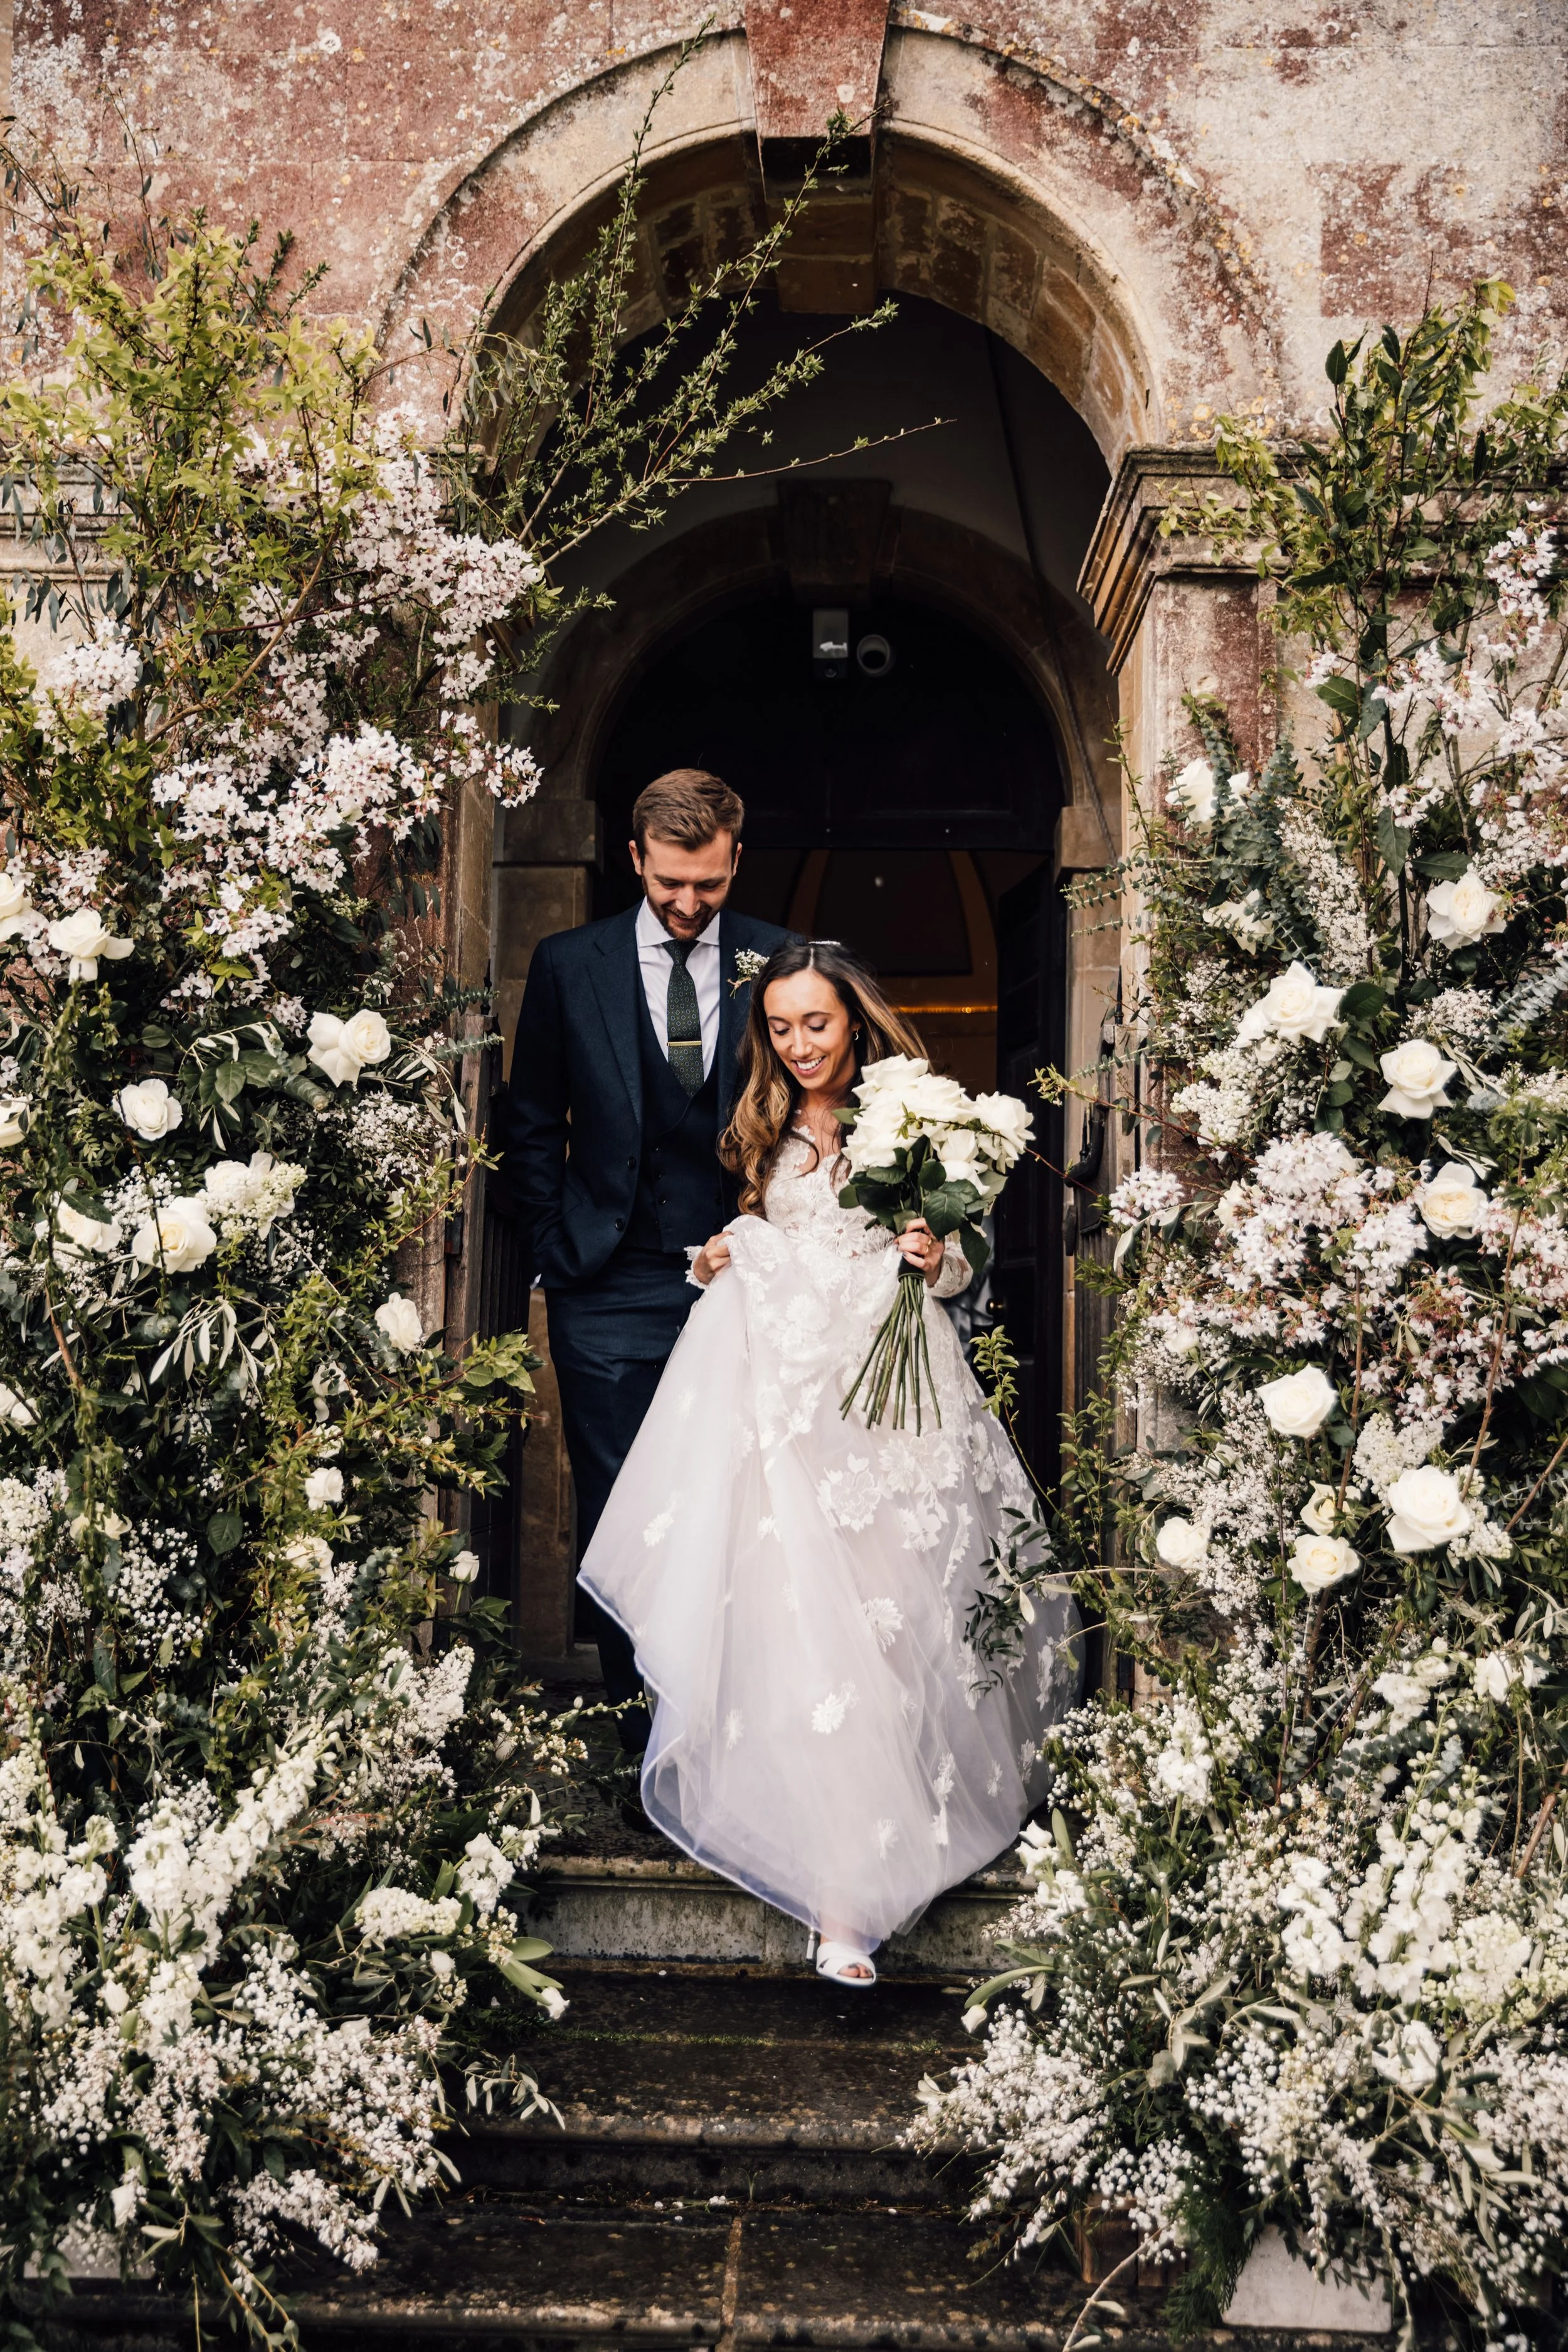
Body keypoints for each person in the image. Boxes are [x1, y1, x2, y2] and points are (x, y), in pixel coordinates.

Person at [578, 940, 1081, 1985]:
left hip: (894, 1407)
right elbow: (748, 1242)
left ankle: (876, 1869)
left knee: (898, 1625)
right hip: (793, 1406)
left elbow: (963, 1266)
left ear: (856, 1018)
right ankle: (840, 1897)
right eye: (781, 1027)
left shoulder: (915, 1121)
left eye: (817, 1023)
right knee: (803, 1631)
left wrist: (935, 1257)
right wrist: (715, 1255)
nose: (800, 1044)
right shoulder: (761, 1126)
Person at [500, 770, 794, 1750]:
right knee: (625, 1510)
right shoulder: (567, 963)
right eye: (669, 881)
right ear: (635, 859)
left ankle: (725, 1745)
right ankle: (645, 1747)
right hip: (606, 1280)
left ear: (736, 861)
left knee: (737, 1507)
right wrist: (556, 1248)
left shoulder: (776, 959)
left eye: (708, 883)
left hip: (743, 1279)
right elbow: (530, 1121)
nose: (687, 903)